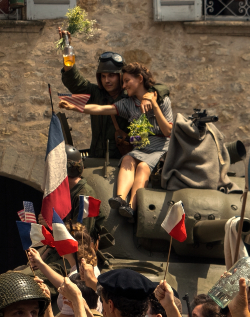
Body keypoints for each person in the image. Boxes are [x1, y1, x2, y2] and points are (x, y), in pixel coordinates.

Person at [70, 63, 174, 221]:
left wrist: (154, 105)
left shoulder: (161, 99)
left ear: (139, 79)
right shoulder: (128, 104)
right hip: (141, 148)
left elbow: (168, 131)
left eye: (126, 81)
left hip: (159, 149)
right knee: (127, 159)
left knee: (143, 167)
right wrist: (75, 106)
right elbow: (101, 109)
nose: (123, 86)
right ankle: (120, 198)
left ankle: (132, 206)